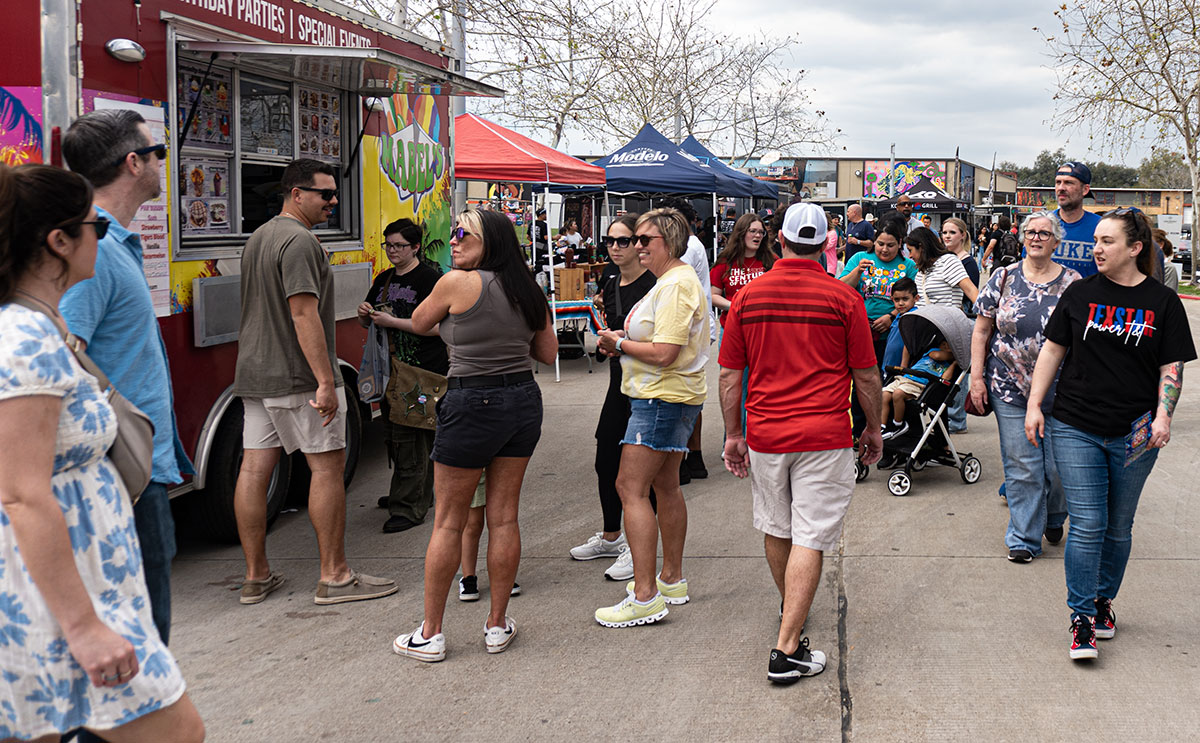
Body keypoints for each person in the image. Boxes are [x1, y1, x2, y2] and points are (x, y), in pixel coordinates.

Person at [0, 163, 205, 742]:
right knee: (179, 733)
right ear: (59, 242)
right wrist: (85, 625)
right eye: (98, 227)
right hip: (60, 593)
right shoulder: (25, 338)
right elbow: (20, 492)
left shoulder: (38, 326)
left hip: (83, 582)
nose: (107, 237)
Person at [718, 202, 883, 684]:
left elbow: (730, 375)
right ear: (825, 242)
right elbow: (867, 375)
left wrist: (733, 434)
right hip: (825, 434)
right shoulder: (843, 298)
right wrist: (872, 428)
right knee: (810, 535)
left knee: (777, 525)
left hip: (767, 433)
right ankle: (787, 647)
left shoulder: (750, 297)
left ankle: (792, 611)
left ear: (780, 239)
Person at [1025, 207, 1195, 660]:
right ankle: (1080, 616)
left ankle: (1103, 600)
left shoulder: (1163, 302)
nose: (1096, 249)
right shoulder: (1080, 294)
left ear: (1135, 248)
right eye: (1096, 240)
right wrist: (1034, 404)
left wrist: (1164, 415)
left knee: (1118, 527)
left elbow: (1171, 366)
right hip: (1075, 424)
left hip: (1136, 430)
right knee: (1088, 524)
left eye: (1107, 241)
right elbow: (1054, 349)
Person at [393, 208, 557, 661]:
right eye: (456, 232)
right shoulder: (529, 289)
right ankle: (497, 624)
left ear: (492, 243)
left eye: (466, 233)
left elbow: (422, 322)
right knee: (505, 516)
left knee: (448, 519)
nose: (456, 239)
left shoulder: (455, 283)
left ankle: (431, 633)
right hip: (522, 400)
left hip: (471, 401)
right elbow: (546, 352)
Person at [232, 159, 397, 606]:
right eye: (325, 194)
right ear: (296, 193)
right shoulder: (300, 241)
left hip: (256, 374)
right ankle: (335, 576)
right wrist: (326, 381)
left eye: (334, 194)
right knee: (326, 468)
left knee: (253, 469)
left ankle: (256, 576)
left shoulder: (260, 237)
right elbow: (303, 312)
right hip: (298, 377)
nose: (334, 202)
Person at [56, 109, 191, 651]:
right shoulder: (93, 253)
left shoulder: (111, 244)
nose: (163, 162)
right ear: (133, 163)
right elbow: (64, 361)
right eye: (156, 153)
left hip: (138, 468)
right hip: (121, 476)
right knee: (140, 645)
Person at [592, 207, 709, 628]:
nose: (636, 246)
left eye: (645, 239)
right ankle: (670, 579)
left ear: (671, 242)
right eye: (633, 239)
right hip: (668, 396)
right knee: (665, 485)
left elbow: (664, 352)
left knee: (630, 487)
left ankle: (645, 595)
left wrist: (620, 345)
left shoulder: (676, 284)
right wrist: (622, 339)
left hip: (661, 398)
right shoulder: (670, 282)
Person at [970, 211, 1081, 564]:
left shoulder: (1074, 283)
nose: (1036, 238)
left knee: (1058, 470)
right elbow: (982, 330)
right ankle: (1024, 537)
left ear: (1056, 241)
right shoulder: (1003, 277)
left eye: (1044, 233)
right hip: (1009, 385)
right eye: (1030, 232)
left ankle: (1053, 516)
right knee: (1023, 465)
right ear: (1021, 238)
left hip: (1063, 390)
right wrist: (976, 377)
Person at [570, 213, 656, 581]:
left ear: (639, 244)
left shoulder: (656, 285)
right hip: (617, 382)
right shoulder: (609, 277)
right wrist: (611, 344)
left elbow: (663, 344)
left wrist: (622, 343)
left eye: (624, 241)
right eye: (610, 241)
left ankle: (638, 548)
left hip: (646, 387)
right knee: (605, 459)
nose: (616, 248)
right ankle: (611, 535)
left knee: (641, 474)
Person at [358, 218, 448, 533]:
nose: (392, 251)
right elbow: (371, 320)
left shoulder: (430, 280)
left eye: (399, 245)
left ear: (415, 247)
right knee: (395, 437)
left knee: (413, 437)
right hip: (390, 371)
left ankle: (409, 507)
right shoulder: (383, 279)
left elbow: (440, 328)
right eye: (388, 245)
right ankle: (409, 493)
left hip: (422, 371)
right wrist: (365, 316)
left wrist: (392, 322)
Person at [656, 196, 716, 483]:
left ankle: (683, 456)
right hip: (698, 325)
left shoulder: (687, 248)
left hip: (688, 328)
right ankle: (694, 457)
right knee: (690, 393)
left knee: (682, 395)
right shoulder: (693, 246)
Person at [839, 218, 916, 364]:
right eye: (880, 244)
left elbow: (915, 299)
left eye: (890, 245)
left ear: (900, 244)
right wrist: (857, 272)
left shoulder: (909, 266)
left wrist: (891, 317)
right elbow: (841, 289)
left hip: (894, 334)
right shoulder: (860, 258)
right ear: (874, 241)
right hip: (860, 331)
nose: (885, 249)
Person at [881, 340, 956, 440]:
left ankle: (898, 425)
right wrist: (952, 355)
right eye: (943, 344)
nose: (945, 346)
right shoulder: (932, 352)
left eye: (948, 346)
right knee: (884, 395)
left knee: (897, 394)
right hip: (905, 378)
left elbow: (945, 379)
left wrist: (954, 363)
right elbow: (937, 356)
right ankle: (882, 427)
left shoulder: (947, 365)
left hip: (917, 384)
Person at [710, 213, 773, 322]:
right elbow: (713, 295)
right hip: (732, 324)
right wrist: (734, 306)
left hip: (761, 325)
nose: (758, 235)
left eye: (761, 232)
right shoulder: (725, 261)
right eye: (752, 231)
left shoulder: (771, 260)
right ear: (741, 233)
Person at [1051, 162, 1103, 278]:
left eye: (1068, 183)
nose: (1061, 188)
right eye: (1058, 182)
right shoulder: (1042, 224)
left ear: (1085, 189)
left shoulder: (1102, 226)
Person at [906, 227, 979, 309]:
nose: (910, 256)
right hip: (923, 320)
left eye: (910, 250)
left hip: (946, 320)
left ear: (921, 247)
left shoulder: (948, 262)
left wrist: (985, 316)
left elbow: (971, 290)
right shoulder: (921, 271)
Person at [881, 277, 919, 370]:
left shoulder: (913, 317)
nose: (901, 303)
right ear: (892, 299)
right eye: (897, 300)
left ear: (916, 298)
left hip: (899, 369)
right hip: (889, 366)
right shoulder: (898, 316)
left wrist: (903, 367)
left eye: (905, 299)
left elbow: (908, 343)